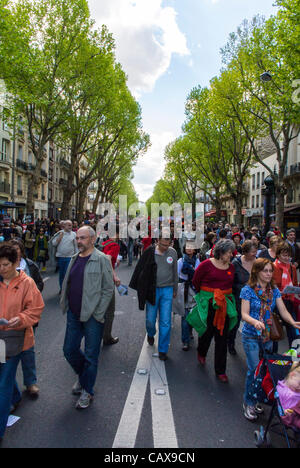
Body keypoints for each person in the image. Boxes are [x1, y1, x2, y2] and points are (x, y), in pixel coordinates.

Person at [61, 226, 114, 409]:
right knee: (69, 350)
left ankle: (87, 391)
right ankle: (84, 378)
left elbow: (108, 289)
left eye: (82, 238)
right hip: (74, 314)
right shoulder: (74, 258)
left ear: (93, 239)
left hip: (93, 317)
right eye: (77, 238)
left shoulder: (101, 259)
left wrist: (99, 313)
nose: (79, 241)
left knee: (91, 356)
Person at [240, 258, 300, 421]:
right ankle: (249, 402)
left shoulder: (274, 290)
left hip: (268, 337)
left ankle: (257, 398)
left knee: (264, 370)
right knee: (254, 369)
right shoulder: (248, 290)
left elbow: (282, 310)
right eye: (265, 270)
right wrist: (255, 321)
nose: (268, 274)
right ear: (257, 272)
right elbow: (244, 314)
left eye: (270, 271)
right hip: (251, 335)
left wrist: (292, 322)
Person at [0, 244, 44, 442]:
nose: (1, 269)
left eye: (5, 265)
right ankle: (16, 396)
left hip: (15, 339)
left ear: (16, 263)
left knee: (2, 385)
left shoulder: (27, 283)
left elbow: (36, 309)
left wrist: (22, 318)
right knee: (4, 378)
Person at [188, 239, 237, 383]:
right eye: (229, 252)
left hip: (224, 306)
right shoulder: (206, 265)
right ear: (221, 252)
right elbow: (196, 281)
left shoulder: (231, 267)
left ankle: (220, 371)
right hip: (208, 304)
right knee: (207, 333)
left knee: (222, 337)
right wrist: (207, 296)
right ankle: (201, 352)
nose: (231, 255)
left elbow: (231, 284)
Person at [129, 235, 178, 361]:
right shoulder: (149, 252)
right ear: (157, 241)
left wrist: (175, 289)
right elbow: (141, 271)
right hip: (153, 290)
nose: (165, 247)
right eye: (162, 245)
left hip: (167, 289)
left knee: (166, 321)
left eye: (168, 245)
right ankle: (151, 334)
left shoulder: (173, 252)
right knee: (150, 319)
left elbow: (175, 272)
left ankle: (163, 349)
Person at [228, 240, 258, 356]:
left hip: (255, 298)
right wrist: (243, 286)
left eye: (256, 251)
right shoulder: (236, 263)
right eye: (252, 252)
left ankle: (254, 347)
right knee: (235, 323)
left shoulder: (258, 262)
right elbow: (230, 282)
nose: (255, 254)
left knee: (254, 323)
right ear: (245, 252)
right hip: (238, 298)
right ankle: (230, 343)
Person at [273, 242, 299, 348]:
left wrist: (296, 289)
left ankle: (293, 357)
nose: (287, 258)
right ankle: (270, 358)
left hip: (288, 302)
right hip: (275, 303)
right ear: (278, 254)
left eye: (289, 255)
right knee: (274, 332)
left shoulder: (292, 268)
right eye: (284, 255)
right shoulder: (272, 267)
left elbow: (295, 284)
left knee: (293, 331)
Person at [177, 244, 200, 351]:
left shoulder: (197, 261)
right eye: (187, 247)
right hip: (184, 290)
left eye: (192, 247)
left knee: (192, 314)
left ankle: (189, 331)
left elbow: (199, 276)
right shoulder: (180, 261)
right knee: (185, 316)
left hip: (194, 290)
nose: (190, 249)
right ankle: (185, 341)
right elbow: (177, 276)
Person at [101, 233, 121, 346]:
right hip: (106, 279)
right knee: (109, 310)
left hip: (96, 278)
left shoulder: (103, 243)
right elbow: (108, 258)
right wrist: (114, 276)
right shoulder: (114, 245)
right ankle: (107, 337)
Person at [52, 220, 77, 292]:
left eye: (71, 225)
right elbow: (53, 244)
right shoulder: (59, 233)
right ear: (64, 226)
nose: (70, 227)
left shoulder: (74, 234)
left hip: (70, 257)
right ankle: (62, 288)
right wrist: (59, 238)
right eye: (68, 225)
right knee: (62, 274)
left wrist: (77, 255)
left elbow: (76, 246)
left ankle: (67, 288)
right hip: (61, 257)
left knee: (67, 273)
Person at [277, 363, 300, 430]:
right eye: (299, 384)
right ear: (292, 375)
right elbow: (280, 405)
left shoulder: (297, 391)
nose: (299, 388)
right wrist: (284, 411)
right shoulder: (282, 390)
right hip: (290, 416)